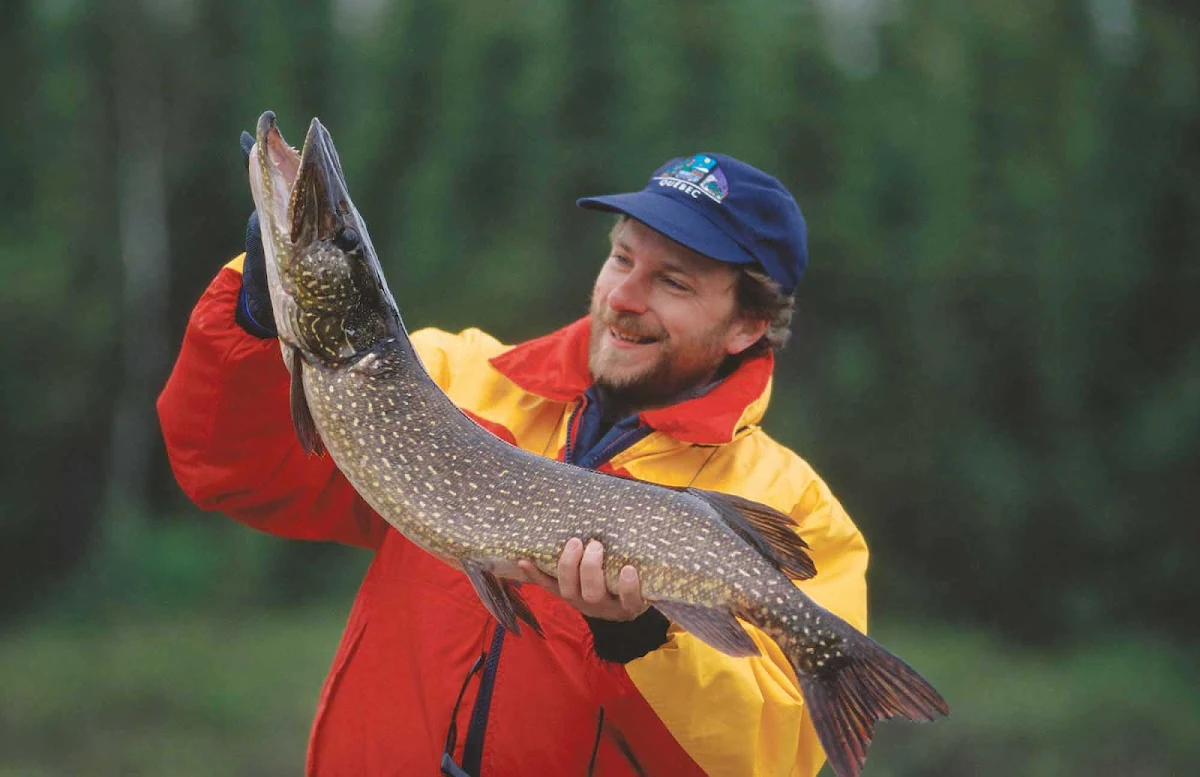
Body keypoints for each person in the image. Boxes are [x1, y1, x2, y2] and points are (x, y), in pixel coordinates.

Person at [158, 145, 869, 777]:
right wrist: (252, 318)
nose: (622, 297)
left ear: (748, 325)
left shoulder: (795, 503)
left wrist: (644, 639)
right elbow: (231, 468)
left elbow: (776, 758)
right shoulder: (446, 380)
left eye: (672, 282)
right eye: (622, 257)